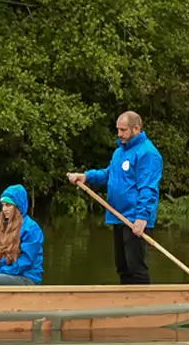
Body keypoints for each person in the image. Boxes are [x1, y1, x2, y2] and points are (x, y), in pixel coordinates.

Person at [67, 111, 164, 284]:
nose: (119, 134)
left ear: (136, 129)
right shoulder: (119, 152)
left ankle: (143, 300)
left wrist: (142, 217)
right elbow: (109, 174)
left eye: (123, 130)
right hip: (118, 215)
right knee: (122, 266)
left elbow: (148, 188)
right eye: (118, 129)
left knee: (135, 267)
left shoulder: (148, 153)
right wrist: (86, 176)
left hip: (134, 218)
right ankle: (127, 300)